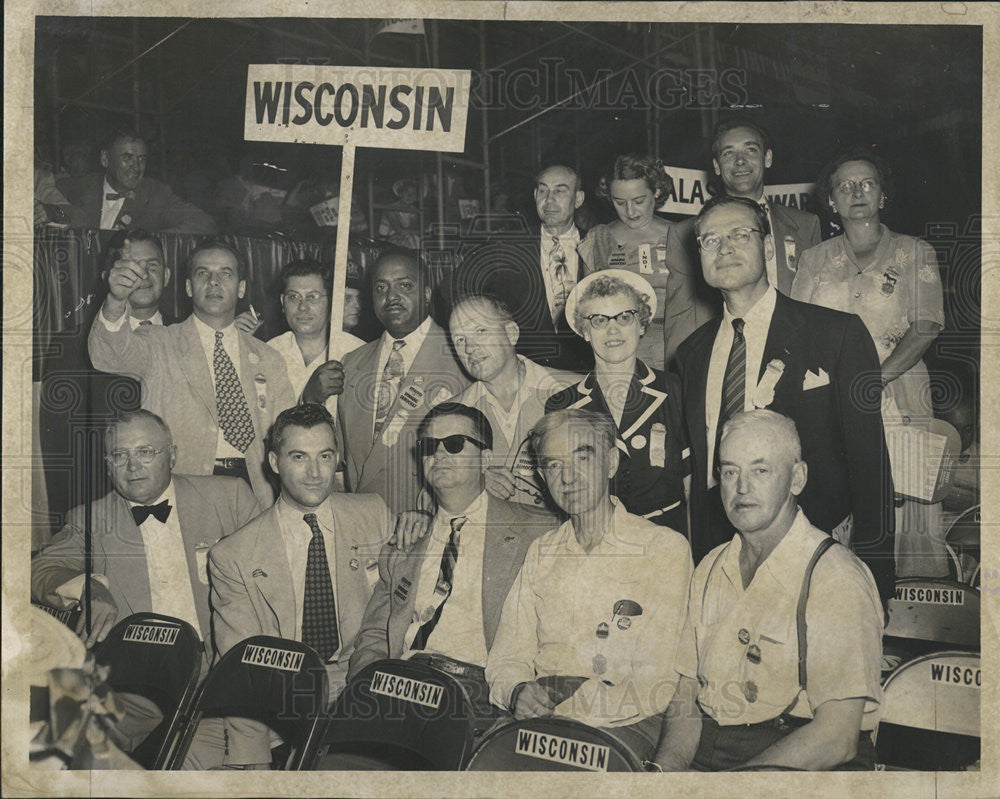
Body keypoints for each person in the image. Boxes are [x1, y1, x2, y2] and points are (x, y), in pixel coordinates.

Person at [675, 196, 895, 601]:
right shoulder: (691, 354)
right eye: (710, 240)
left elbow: (870, 461)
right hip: (724, 561)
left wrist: (875, 576)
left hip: (816, 557)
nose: (725, 248)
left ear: (769, 247)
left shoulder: (836, 334)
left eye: (740, 234)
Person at [653, 410, 883, 771]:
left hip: (803, 761)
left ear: (797, 478)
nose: (742, 488)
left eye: (760, 470)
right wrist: (663, 773)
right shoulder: (711, 567)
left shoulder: (835, 577)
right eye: (730, 472)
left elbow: (838, 738)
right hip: (714, 755)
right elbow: (686, 695)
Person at [486, 409, 692, 761]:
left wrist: (565, 710)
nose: (568, 478)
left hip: (623, 723)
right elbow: (507, 656)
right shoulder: (542, 552)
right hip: (540, 717)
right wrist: (517, 690)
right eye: (553, 465)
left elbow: (657, 680)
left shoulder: (663, 549)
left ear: (611, 462)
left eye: (582, 457)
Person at [200, 404, 394, 768]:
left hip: (361, 683)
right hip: (280, 697)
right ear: (274, 462)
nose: (314, 473)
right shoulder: (233, 555)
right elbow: (244, 665)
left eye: (324, 456)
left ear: (337, 458)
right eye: (298, 457)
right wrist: (251, 760)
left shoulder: (374, 514)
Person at [349, 402, 557, 731]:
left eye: (455, 444)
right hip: (401, 683)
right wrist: (367, 683)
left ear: (486, 459)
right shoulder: (405, 542)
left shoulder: (539, 531)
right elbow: (374, 634)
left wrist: (522, 691)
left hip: (480, 693)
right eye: (430, 446)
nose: (440, 454)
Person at [791, 151, 947, 579]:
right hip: (831, 400)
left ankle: (914, 612)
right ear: (831, 201)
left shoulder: (915, 252)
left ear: (882, 195)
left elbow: (927, 325)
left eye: (867, 184)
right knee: (840, 498)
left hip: (901, 391)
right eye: (845, 186)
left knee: (909, 502)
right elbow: (799, 330)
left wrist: (873, 379)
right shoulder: (814, 260)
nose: (856, 192)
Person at [89, 240, 295, 508]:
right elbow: (108, 354)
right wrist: (116, 300)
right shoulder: (158, 342)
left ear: (241, 288)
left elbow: (287, 437)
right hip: (184, 487)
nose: (213, 282)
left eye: (225, 273)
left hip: (255, 491)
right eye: (203, 273)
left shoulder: (268, 358)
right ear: (188, 287)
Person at [31, 410, 260, 650]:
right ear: (108, 466)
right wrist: (88, 587)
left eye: (145, 452)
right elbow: (39, 569)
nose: (133, 466)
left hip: (220, 661)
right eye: (120, 455)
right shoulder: (89, 519)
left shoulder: (229, 497)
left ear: (172, 456)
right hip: (136, 668)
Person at [305, 249, 469, 513]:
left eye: (405, 285)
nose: (391, 296)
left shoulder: (461, 358)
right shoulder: (352, 363)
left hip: (428, 523)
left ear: (427, 293)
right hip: (363, 522)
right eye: (381, 287)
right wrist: (313, 398)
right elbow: (333, 455)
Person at [545, 270, 688, 532]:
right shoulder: (563, 405)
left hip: (669, 538)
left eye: (624, 317)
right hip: (600, 542)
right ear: (584, 331)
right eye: (599, 320)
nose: (613, 329)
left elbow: (691, 484)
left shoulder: (674, 388)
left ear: (642, 325)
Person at [578, 153, 713, 370]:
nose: (630, 211)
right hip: (622, 350)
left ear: (657, 191)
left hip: (679, 346)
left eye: (639, 201)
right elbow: (589, 306)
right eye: (619, 202)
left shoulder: (683, 234)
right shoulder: (599, 239)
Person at [452, 164, 594, 371]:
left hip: (586, 369)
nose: (550, 200)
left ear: (578, 199)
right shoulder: (506, 245)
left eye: (560, 191)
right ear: (535, 195)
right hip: (525, 371)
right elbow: (455, 288)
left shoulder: (596, 243)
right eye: (543, 191)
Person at [448, 294, 578, 509]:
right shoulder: (452, 415)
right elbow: (431, 495)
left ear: (511, 333)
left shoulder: (573, 393)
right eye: (459, 339)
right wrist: (470, 483)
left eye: (480, 331)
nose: (469, 348)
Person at [705, 117, 821, 296]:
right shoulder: (686, 234)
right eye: (728, 153)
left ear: (767, 158)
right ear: (716, 166)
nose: (740, 160)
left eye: (750, 150)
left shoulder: (806, 226)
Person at [56, 129, 217, 234]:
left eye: (141, 159)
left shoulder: (156, 194)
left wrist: (149, 240)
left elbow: (204, 223)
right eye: (128, 158)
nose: (137, 168)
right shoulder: (76, 187)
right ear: (105, 159)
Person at [265, 259, 365, 404]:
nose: (303, 307)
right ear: (282, 302)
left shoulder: (358, 354)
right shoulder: (269, 352)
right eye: (293, 297)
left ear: (331, 302)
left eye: (312, 297)